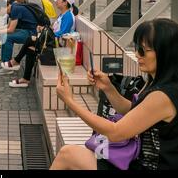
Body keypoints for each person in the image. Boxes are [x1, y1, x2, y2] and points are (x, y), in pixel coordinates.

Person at [52, 19, 178, 170]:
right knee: (69, 154)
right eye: (137, 47)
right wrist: (108, 88)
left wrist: (70, 101)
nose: (137, 54)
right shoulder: (155, 81)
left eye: (143, 50)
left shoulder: (163, 95)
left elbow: (116, 133)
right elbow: (134, 111)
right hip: (135, 160)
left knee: (68, 155)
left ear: (165, 52)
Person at [3, 0, 78, 88]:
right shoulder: (63, 15)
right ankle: (24, 77)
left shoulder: (68, 16)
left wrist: (45, 31)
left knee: (31, 39)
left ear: (65, 2)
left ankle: (16, 63)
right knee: (30, 46)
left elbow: (62, 34)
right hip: (53, 44)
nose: (57, 1)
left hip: (58, 49)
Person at [0, 0, 39, 76]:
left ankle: (7, 66)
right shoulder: (13, 8)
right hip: (26, 31)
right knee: (5, 35)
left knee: (7, 37)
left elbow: (10, 30)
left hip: (31, 33)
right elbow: (8, 27)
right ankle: (4, 61)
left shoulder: (15, 9)